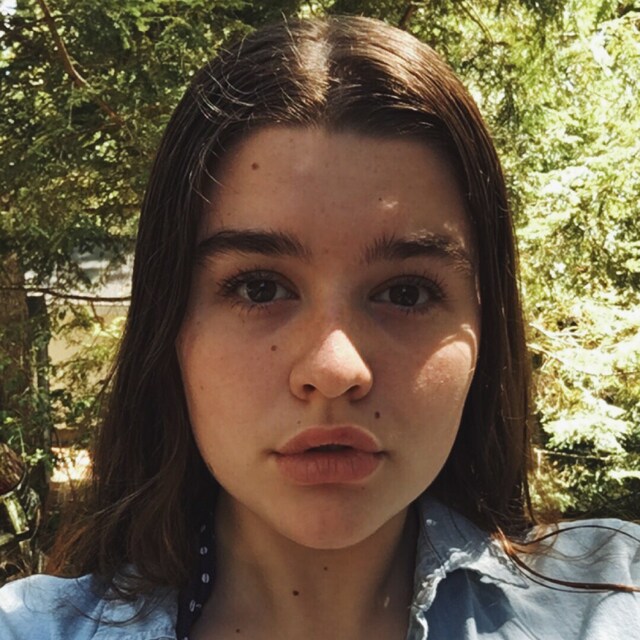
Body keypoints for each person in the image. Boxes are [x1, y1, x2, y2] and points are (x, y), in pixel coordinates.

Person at [1, 14, 638, 640]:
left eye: (406, 293)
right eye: (259, 288)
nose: (334, 369)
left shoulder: (613, 606)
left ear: (483, 329)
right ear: (169, 325)